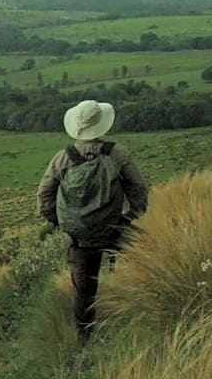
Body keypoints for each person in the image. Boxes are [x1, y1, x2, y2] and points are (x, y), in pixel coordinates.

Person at [36, 100, 148, 343]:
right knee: (148, 257)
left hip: (81, 237)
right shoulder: (117, 153)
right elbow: (138, 187)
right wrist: (131, 215)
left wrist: (61, 222)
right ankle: (144, 313)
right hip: (113, 227)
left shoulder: (63, 158)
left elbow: (44, 196)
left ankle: (84, 338)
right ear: (102, 124)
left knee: (83, 291)